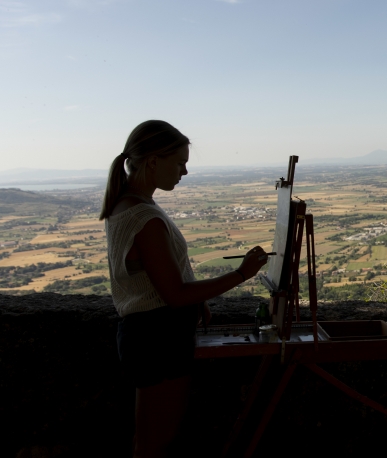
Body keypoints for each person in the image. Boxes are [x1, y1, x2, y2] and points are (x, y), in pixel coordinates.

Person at [100, 120, 268, 458]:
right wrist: (241, 273)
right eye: (179, 162)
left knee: (148, 440)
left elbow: (156, 282)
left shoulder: (127, 205)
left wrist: (198, 301)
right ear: (152, 161)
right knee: (156, 444)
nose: (185, 171)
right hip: (158, 336)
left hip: (147, 334)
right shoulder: (143, 217)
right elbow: (173, 294)